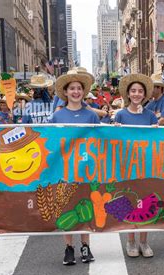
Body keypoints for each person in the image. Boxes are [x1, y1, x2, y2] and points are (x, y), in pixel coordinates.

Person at [51, 70, 99, 265]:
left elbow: (101, 137)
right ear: (66, 92)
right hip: (64, 170)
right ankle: (69, 248)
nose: (76, 91)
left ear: (83, 92)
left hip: (86, 169)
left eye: (79, 88)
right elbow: (51, 141)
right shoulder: (57, 116)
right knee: (67, 209)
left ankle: (85, 246)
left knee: (86, 208)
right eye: (72, 88)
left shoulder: (91, 115)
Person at [114, 73, 158, 258]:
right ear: (128, 94)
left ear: (145, 94)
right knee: (129, 201)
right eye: (133, 91)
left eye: (140, 91)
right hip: (126, 166)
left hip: (146, 166)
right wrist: (114, 129)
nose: (137, 94)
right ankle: (130, 240)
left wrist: (159, 132)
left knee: (146, 202)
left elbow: (158, 142)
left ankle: (144, 241)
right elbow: (112, 141)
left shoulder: (150, 116)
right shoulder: (120, 115)